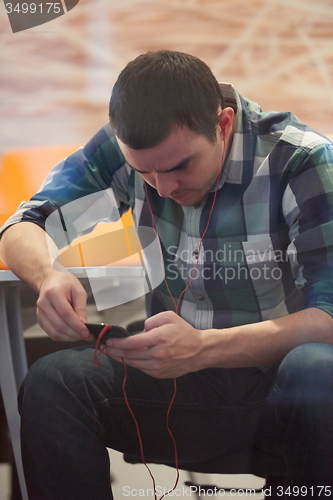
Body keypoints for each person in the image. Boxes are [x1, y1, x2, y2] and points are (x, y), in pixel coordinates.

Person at [1, 50, 333, 499]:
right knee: (53, 383)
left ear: (223, 125)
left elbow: (329, 319)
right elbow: (25, 223)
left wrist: (203, 348)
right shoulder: (128, 150)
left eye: (181, 166)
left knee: (318, 368)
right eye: (144, 171)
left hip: (285, 392)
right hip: (184, 389)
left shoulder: (301, 161)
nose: (163, 187)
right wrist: (47, 276)